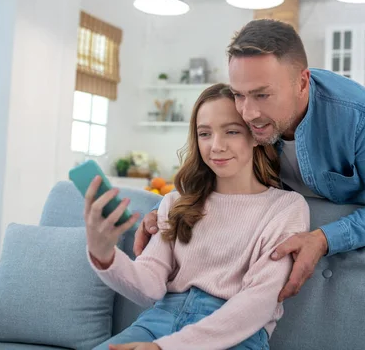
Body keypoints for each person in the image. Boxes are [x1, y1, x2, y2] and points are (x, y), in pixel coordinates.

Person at [134, 19, 365, 303]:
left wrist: (323, 239)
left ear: (302, 82)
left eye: (262, 95)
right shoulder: (248, 114)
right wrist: (165, 210)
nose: (247, 113)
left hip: (347, 233)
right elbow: (221, 169)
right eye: (239, 95)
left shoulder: (356, 111)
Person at [85, 83, 310, 350]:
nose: (216, 146)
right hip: (158, 322)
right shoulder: (176, 202)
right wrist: (104, 255)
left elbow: (259, 301)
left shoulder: (286, 207)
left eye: (232, 131)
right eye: (205, 133)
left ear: (255, 135)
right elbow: (150, 285)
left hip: (235, 336)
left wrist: (166, 347)